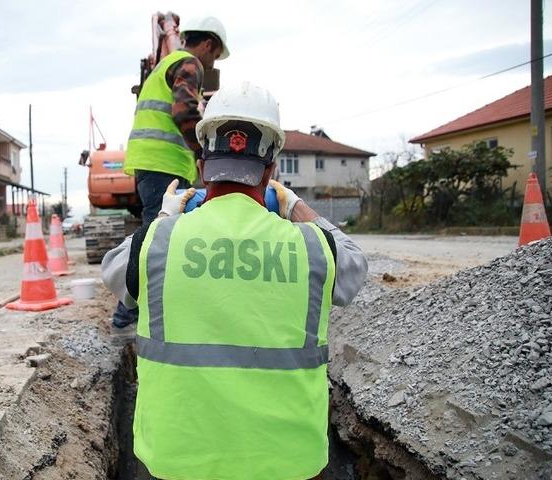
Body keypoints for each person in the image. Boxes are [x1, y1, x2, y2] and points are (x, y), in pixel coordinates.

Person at [101, 82, 368, 480]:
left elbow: (114, 273)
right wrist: (297, 208)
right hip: (289, 464)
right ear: (273, 169)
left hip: (177, 463)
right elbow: (353, 268)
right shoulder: (313, 247)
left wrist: (165, 217)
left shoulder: (158, 243)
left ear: (203, 167)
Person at [113, 16, 230, 327]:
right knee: (156, 240)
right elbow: (185, 111)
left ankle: (136, 311)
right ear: (207, 45)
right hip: (163, 164)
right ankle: (127, 316)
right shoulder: (189, 63)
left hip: (154, 163)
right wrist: (206, 155)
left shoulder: (165, 65)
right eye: (215, 56)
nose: (212, 63)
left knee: (158, 236)